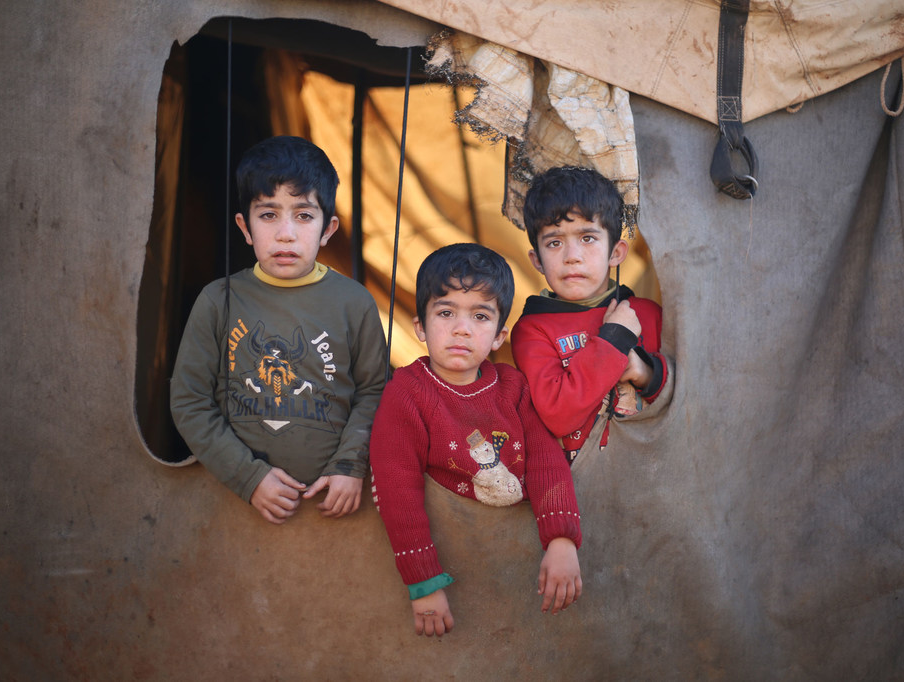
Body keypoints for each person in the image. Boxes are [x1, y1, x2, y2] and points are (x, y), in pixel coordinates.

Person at [369, 243, 582, 637]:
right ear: (420, 325)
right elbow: (396, 488)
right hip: (455, 555)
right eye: (445, 312)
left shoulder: (514, 389)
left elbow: (545, 462)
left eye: (480, 316)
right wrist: (424, 581)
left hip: (512, 559)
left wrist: (562, 539)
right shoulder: (408, 393)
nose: (461, 328)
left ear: (500, 335)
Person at [170, 136, 386, 524]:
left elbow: (375, 390)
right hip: (234, 508)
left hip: (334, 508)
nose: (286, 233)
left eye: (303, 216)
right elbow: (190, 401)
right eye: (268, 215)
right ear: (245, 226)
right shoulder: (218, 301)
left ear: (328, 228)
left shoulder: (354, 303)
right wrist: (247, 477)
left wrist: (350, 465)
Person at [510, 166, 673, 462]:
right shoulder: (533, 330)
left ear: (616, 253)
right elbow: (558, 416)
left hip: (652, 484)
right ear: (537, 260)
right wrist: (614, 340)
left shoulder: (647, 314)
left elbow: (688, 405)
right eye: (554, 242)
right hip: (579, 493)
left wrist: (646, 373)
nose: (572, 256)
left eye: (587, 238)